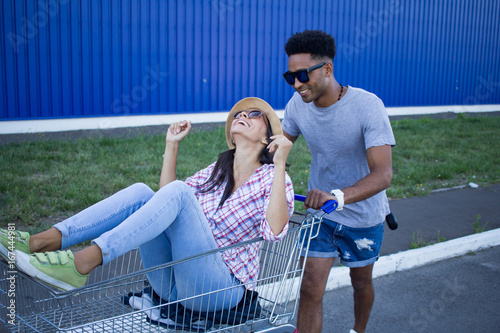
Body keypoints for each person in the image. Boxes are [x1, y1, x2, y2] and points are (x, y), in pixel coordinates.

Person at [2, 97, 294, 316]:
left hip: (218, 289)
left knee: (179, 193)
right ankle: (40, 242)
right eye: (239, 114)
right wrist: (172, 145)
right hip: (174, 284)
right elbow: (163, 203)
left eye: (254, 114)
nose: (243, 115)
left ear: (268, 138)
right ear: (231, 136)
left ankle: (82, 263)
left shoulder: (273, 178)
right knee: (144, 193)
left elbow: (275, 230)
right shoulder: (216, 170)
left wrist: (279, 163)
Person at [281, 30, 396, 333]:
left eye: (303, 75)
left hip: (362, 215)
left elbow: (383, 173)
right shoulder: (296, 106)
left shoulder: (367, 106)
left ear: (327, 70)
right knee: (309, 289)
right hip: (321, 216)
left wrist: (338, 197)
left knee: (360, 283)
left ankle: (358, 330)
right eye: (290, 76)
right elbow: (278, 151)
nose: (297, 84)